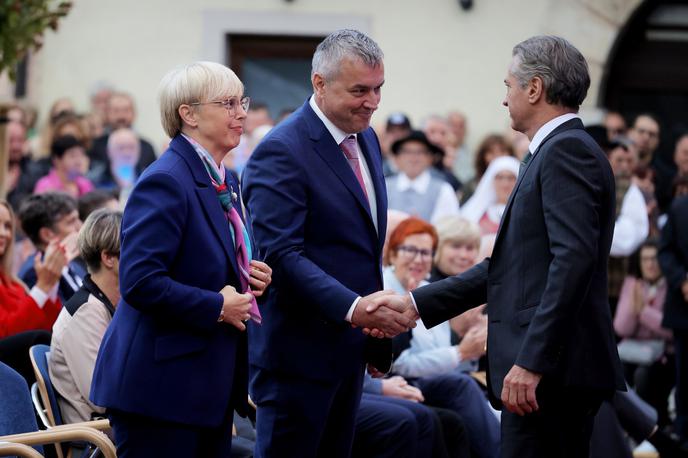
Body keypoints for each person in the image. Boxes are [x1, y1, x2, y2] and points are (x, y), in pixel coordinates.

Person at [372, 35, 625, 457]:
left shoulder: (566, 153)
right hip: (548, 373)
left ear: (534, 88)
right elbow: (510, 267)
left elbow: (572, 262)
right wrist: (417, 304)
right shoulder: (557, 151)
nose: (504, 99)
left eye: (508, 85)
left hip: (550, 375)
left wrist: (533, 362)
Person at [242, 29, 415, 458]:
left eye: (378, 89)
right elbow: (281, 256)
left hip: (349, 354)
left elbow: (358, 249)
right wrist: (355, 310)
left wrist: (371, 334)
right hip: (296, 361)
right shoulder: (281, 150)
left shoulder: (367, 138)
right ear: (319, 83)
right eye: (359, 90)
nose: (373, 102)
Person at [89, 61, 272, 457]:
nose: (241, 112)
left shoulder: (224, 176)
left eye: (242, 101)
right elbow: (139, 281)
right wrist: (218, 305)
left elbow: (212, 259)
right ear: (187, 114)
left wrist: (251, 275)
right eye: (227, 103)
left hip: (205, 383)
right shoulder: (166, 179)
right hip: (160, 387)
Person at [383, 217, 500, 458]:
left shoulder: (429, 289)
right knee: (459, 389)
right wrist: (461, 351)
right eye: (410, 250)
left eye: (425, 253)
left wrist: (466, 343)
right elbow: (399, 363)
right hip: (399, 379)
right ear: (393, 254)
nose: (418, 259)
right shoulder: (385, 288)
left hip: (435, 378)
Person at [49, 208, 122, 425]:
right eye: (134, 250)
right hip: (97, 444)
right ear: (108, 258)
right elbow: (103, 397)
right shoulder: (85, 311)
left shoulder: (107, 304)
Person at [614, 239, 673, 427]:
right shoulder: (632, 284)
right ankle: (623, 427)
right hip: (632, 351)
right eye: (645, 259)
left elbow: (670, 329)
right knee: (617, 372)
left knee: (644, 375)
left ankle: (652, 426)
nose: (650, 264)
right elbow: (621, 328)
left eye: (654, 259)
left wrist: (644, 312)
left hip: (663, 356)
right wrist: (634, 309)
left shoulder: (671, 285)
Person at [0, 199, 64, 338]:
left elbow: (48, 328)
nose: (4, 233)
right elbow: (7, 335)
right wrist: (42, 287)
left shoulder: (14, 284)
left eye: (7, 226)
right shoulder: (28, 274)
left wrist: (51, 284)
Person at [658, 194, 688, 449]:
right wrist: (682, 280)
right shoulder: (680, 207)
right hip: (685, 311)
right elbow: (664, 251)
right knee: (685, 378)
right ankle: (683, 433)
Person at [17, 192, 85, 302]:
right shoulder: (34, 273)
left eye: (78, 219)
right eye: (71, 222)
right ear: (47, 234)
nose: (80, 226)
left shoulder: (76, 264)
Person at [386, 130, 460, 224]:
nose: (413, 158)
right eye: (407, 152)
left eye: (420, 152)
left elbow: (448, 228)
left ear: (430, 158)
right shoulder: (384, 187)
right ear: (397, 158)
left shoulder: (443, 190)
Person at [461, 156, 520, 236]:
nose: (505, 184)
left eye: (511, 178)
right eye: (500, 177)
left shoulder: (523, 213)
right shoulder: (475, 211)